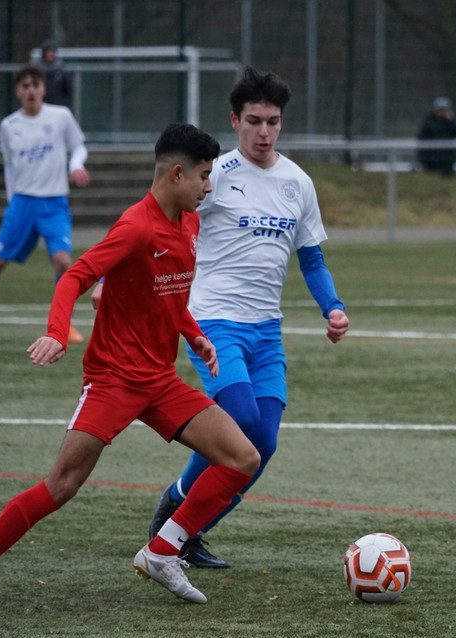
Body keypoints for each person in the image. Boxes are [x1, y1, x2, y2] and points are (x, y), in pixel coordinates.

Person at [0, 122, 262, 612]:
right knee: (63, 484)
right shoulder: (135, 227)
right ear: (177, 174)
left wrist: (193, 334)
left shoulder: (189, 224)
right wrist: (57, 331)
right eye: (203, 176)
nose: (208, 186)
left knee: (242, 457)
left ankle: (163, 550)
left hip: (161, 381)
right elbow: (75, 276)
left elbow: (168, 294)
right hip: (114, 380)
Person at [94, 66, 349, 569]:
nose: (263, 132)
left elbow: (312, 258)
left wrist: (333, 307)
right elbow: (151, 221)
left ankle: (184, 531)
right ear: (235, 121)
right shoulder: (215, 175)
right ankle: (176, 511)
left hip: (266, 331)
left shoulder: (298, 183)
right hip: (213, 321)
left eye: (273, 122)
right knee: (242, 421)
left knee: (264, 443)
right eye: (253, 121)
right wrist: (108, 275)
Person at [0, 65, 89, 344]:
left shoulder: (61, 116)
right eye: (25, 86)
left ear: (43, 89)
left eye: (35, 85)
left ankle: (63, 325)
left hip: (54, 202)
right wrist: (12, 201)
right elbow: (9, 167)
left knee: (63, 261)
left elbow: (79, 146)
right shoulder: (9, 126)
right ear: (17, 92)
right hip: (22, 203)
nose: (31, 90)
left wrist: (76, 164)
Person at [416, 96, 456, 177]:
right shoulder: (428, 122)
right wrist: (423, 161)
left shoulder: (451, 123)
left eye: (444, 110)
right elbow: (422, 142)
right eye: (440, 110)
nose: (442, 112)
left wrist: (451, 120)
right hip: (431, 162)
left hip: (447, 161)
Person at [37, 40, 73, 108]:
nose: (51, 54)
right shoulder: (37, 71)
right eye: (48, 52)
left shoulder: (61, 70)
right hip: (42, 106)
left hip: (58, 105)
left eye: (52, 52)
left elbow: (67, 90)